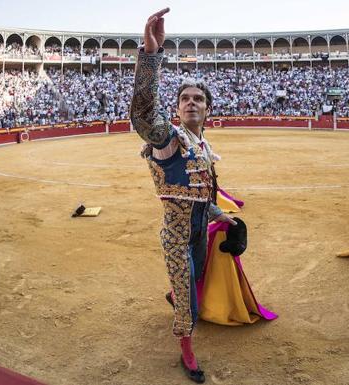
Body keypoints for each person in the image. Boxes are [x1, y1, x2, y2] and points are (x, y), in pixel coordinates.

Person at [129, 7, 236, 384]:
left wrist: (220, 215)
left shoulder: (204, 146)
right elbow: (142, 115)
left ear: (208, 109)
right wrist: (151, 56)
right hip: (175, 234)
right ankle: (187, 353)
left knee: (196, 278)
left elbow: (199, 194)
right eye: (185, 99)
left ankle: (179, 298)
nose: (191, 102)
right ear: (176, 109)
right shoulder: (168, 138)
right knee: (188, 291)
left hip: (196, 232)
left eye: (198, 99)